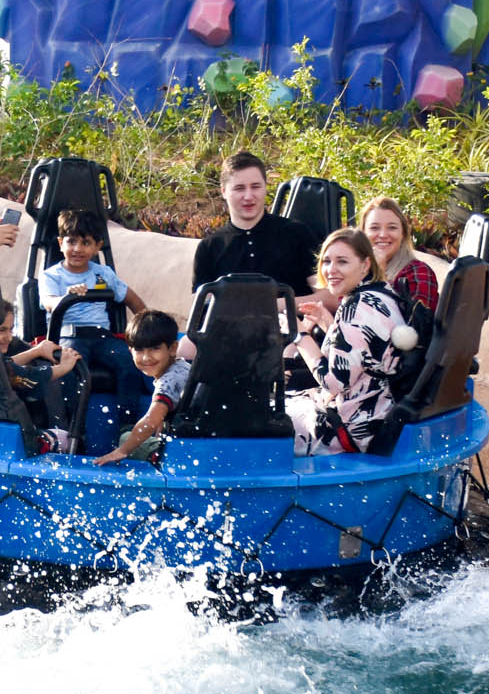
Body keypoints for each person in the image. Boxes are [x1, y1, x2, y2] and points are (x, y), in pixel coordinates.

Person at [286, 228, 414, 455]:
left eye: (342, 262)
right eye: (327, 261)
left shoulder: (356, 307)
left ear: (365, 265)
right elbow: (362, 352)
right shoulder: (380, 294)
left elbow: (334, 382)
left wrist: (298, 336)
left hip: (350, 430)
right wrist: (326, 321)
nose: (331, 270)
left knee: (263, 419)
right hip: (375, 413)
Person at [33, 208, 151, 418]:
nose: (77, 249)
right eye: (71, 242)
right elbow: (49, 302)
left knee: (129, 362)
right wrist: (67, 296)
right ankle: (71, 426)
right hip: (69, 336)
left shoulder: (103, 274)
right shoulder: (51, 276)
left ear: (97, 246)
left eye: (86, 243)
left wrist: (148, 328)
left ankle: (128, 424)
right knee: (72, 369)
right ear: (60, 243)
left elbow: (133, 300)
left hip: (102, 337)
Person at [191, 151, 317, 293]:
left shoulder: (297, 234)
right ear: (224, 191)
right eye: (239, 188)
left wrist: (275, 304)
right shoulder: (209, 247)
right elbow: (202, 303)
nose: (248, 196)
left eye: (255, 186)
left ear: (265, 187)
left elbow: (328, 296)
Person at [96, 310, 191, 465]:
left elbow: (150, 421)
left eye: (155, 348)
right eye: (139, 350)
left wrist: (122, 451)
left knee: (126, 438)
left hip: (183, 449)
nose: (146, 357)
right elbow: (162, 416)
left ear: (173, 348)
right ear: (130, 351)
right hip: (191, 440)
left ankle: (158, 459)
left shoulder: (168, 380)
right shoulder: (182, 368)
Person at [0, 298, 79, 446]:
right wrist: (64, 367)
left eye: (11, 329)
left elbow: (6, 364)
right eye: (2, 330)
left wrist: (37, 351)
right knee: (64, 439)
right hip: (5, 438)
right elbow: (30, 377)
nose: (9, 337)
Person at [361, 196, 438, 317]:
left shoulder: (418, 272)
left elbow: (415, 322)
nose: (383, 235)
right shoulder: (353, 270)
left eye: (392, 227)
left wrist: (379, 275)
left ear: (403, 233)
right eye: (374, 228)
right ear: (363, 233)